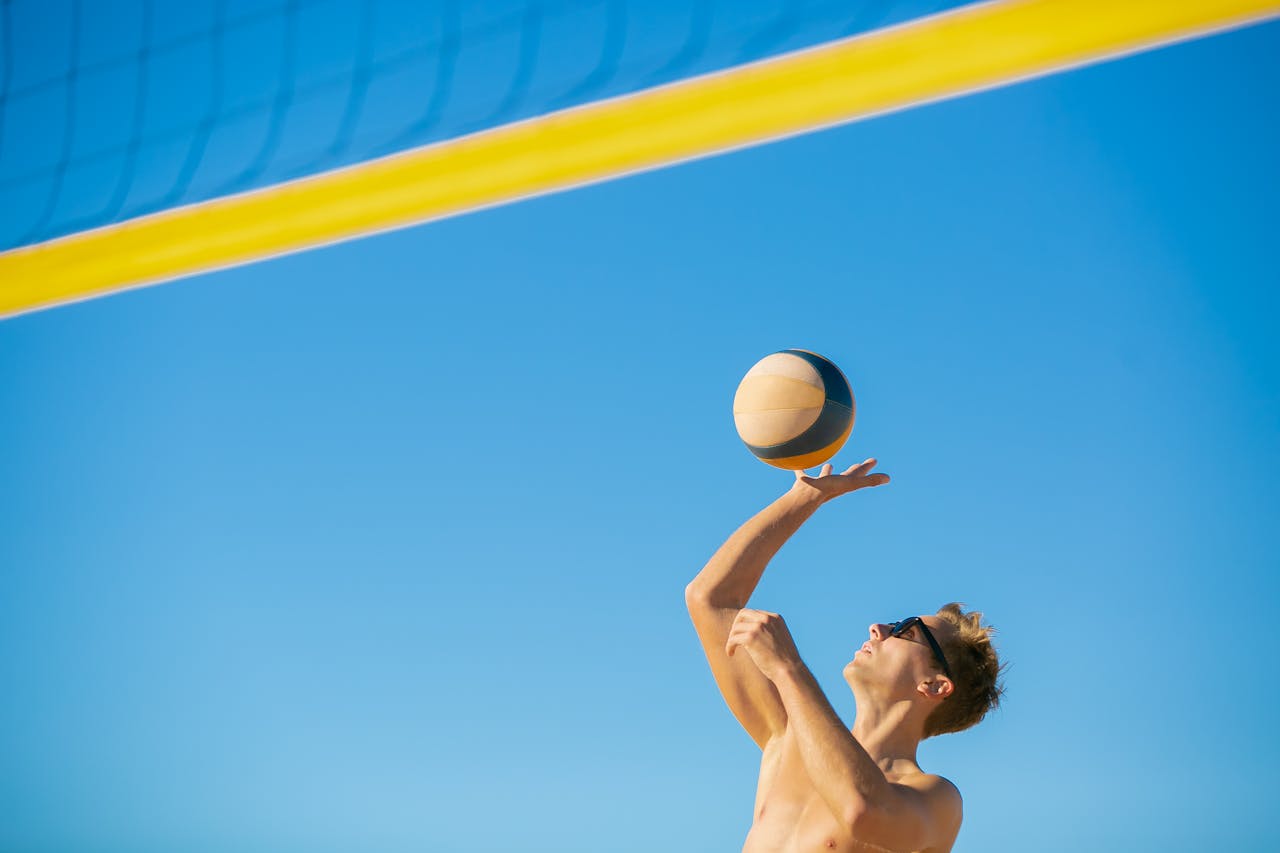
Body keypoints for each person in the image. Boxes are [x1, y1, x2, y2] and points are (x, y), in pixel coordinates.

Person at [685, 458, 1004, 853]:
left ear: (935, 685)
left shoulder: (934, 797)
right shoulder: (787, 741)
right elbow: (710, 599)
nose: (878, 628)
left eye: (905, 629)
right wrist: (806, 498)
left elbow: (863, 811)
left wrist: (789, 668)